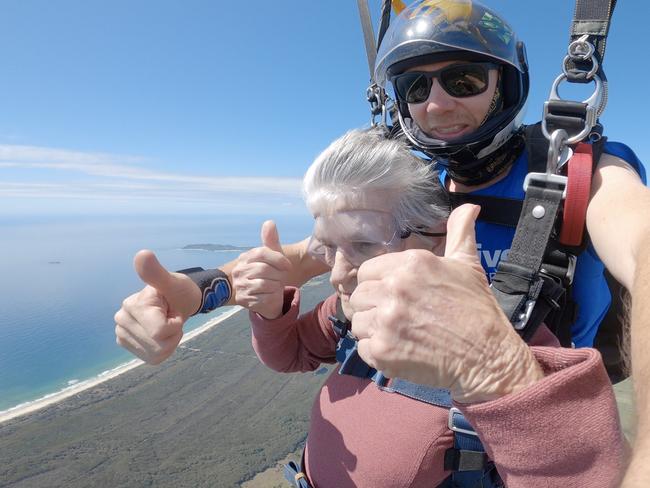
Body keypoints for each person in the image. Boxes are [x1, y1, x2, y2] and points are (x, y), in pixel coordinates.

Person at [114, 2, 650, 484]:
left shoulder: (577, 175)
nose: (436, 104)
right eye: (416, 87)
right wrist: (197, 292)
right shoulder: (409, 185)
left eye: (462, 79)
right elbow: (298, 259)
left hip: (519, 425)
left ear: (505, 86)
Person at [237, 127, 624, 487]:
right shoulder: (353, 306)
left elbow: (583, 471)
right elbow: (293, 354)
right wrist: (272, 312)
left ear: (435, 235)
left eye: (365, 244)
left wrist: (490, 366)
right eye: (328, 246)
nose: (338, 273)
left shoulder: (497, 331)